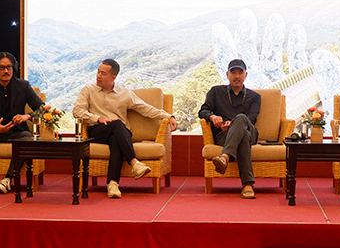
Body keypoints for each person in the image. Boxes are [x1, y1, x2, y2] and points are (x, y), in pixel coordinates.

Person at [73, 58, 177, 198]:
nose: (98, 76)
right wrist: (98, 118)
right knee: (117, 124)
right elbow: (77, 111)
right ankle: (134, 163)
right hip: (98, 131)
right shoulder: (88, 90)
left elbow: (146, 109)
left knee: (116, 138)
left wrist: (168, 116)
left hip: (119, 133)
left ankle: (113, 184)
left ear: (113, 77)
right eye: (98, 72)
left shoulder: (125, 94)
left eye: (103, 73)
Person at [0, 51, 44, 195]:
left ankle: (8, 179)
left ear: (14, 68)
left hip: (16, 132)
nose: (6, 71)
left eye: (9, 67)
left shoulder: (23, 86)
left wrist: (27, 116)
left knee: (28, 138)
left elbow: (43, 109)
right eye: (2, 68)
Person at [199, 58, 261, 199]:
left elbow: (252, 119)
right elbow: (203, 111)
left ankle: (225, 157)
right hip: (224, 135)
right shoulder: (216, 92)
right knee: (243, 137)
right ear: (227, 74)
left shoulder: (254, 97)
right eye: (233, 72)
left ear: (246, 75)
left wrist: (233, 124)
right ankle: (247, 185)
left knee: (241, 119)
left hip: (251, 132)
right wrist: (213, 117)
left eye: (240, 72)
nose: (237, 76)